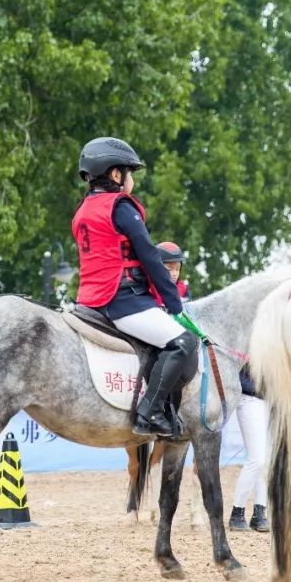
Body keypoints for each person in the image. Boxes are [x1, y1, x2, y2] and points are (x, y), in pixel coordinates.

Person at [72, 137, 199, 438]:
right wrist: (174, 304)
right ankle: (149, 412)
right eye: (130, 173)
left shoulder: (82, 211)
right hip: (122, 301)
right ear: (116, 175)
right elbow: (150, 257)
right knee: (185, 343)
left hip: (89, 300)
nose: (131, 180)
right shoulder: (121, 208)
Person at [227, 364, 270, 533]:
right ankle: (237, 512)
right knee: (257, 459)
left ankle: (260, 512)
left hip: (272, 399)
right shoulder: (251, 338)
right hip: (250, 397)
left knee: (267, 460)